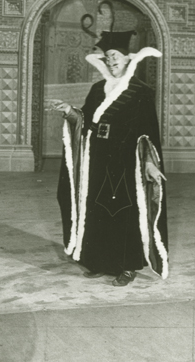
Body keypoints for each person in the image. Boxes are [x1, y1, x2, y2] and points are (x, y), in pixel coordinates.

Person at [52, 30, 169, 286]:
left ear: (128, 58)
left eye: (115, 56)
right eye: (107, 57)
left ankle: (127, 266)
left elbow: (148, 132)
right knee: (97, 210)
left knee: (125, 213)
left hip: (126, 162)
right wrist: (70, 111)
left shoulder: (140, 91)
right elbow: (86, 119)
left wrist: (150, 163)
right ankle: (101, 261)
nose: (111, 61)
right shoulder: (98, 89)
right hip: (97, 159)